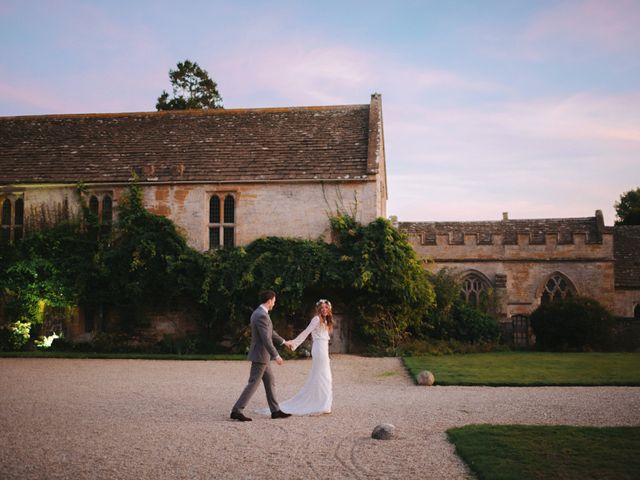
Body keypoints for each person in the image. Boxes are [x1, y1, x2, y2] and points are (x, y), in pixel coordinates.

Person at [262, 298, 334, 416]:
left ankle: (324, 403)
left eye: (326, 307)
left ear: (329, 309)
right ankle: (323, 404)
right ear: (318, 309)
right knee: (323, 375)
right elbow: (306, 332)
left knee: (324, 375)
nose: (324, 310)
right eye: (322, 308)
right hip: (319, 350)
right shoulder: (316, 319)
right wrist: (294, 343)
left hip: (324, 349)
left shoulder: (326, 321)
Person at [230, 290, 293, 422]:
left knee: (270, 382)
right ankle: (237, 410)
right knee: (253, 383)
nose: (274, 304)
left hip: (263, 356)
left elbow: (271, 333)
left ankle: (275, 411)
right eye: (274, 301)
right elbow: (266, 339)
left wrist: (284, 342)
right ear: (269, 300)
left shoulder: (260, 313)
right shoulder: (261, 315)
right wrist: (276, 355)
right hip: (260, 356)